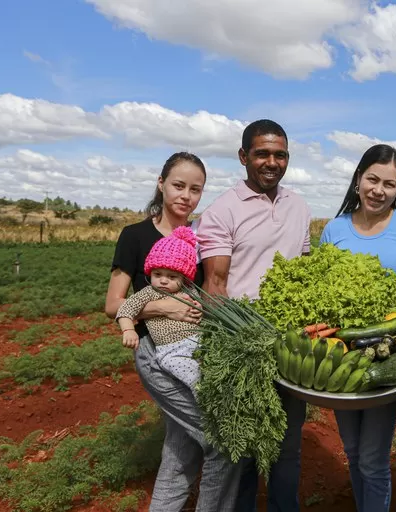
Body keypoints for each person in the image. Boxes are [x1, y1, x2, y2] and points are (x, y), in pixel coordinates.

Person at [105, 152, 242, 511]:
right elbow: (112, 303)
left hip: (194, 349)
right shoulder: (135, 235)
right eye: (179, 185)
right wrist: (162, 307)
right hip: (157, 354)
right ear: (161, 183)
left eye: (196, 189)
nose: (186, 196)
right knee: (222, 442)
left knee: (180, 451)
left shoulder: (200, 238)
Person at [195, 119, 311, 512]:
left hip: (292, 346)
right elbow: (215, 287)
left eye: (280, 155)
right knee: (242, 453)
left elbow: (305, 273)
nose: (271, 162)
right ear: (244, 156)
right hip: (244, 348)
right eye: (262, 153)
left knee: (287, 447)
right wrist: (242, 348)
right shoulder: (221, 211)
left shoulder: (299, 206)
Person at [319, 143, 396, 512]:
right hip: (343, 349)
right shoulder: (334, 230)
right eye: (372, 179)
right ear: (357, 180)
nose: (378, 190)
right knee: (352, 451)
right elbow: (322, 290)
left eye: (389, 184)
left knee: (372, 456)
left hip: (389, 348)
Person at [116, 226, 202, 395]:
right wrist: (128, 330)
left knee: (209, 370)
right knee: (194, 379)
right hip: (171, 351)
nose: (163, 281)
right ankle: (206, 400)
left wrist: (199, 309)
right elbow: (125, 309)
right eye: (157, 274)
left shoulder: (189, 290)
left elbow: (199, 305)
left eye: (172, 277)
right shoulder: (149, 293)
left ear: (184, 278)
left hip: (198, 342)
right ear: (150, 272)